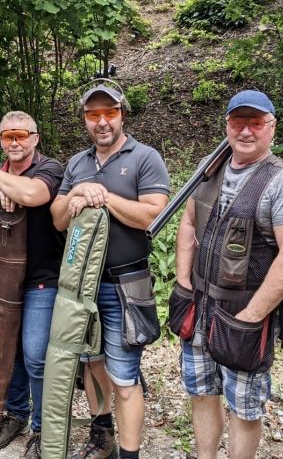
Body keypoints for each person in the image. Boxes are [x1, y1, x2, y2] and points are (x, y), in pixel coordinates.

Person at [173, 90, 283, 459]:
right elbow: (188, 223)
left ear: (271, 127)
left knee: (244, 409)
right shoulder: (210, 166)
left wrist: (252, 316)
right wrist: (184, 283)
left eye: (255, 122)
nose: (246, 131)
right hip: (199, 306)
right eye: (238, 122)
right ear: (227, 125)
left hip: (245, 314)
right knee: (201, 392)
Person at [51, 82, 170, 459]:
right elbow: (56, 220)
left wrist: (106, 198)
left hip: (125, 286)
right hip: (80, 286)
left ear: (123, 114)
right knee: (91, 364)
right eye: (93, 115)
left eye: (109, 113)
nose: (101, 122)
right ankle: (101, 434)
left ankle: (128, 453)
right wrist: (75, 196)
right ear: (85, 119)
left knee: (124, 378)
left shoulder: (145, 158)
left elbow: (154, 214)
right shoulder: (77, 163)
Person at [0, 111, 65, 459]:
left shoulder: (50, 168)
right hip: (3, 279)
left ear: (35, 138)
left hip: (42, 280)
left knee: (37, 357)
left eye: (21, 135)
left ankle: (42, 429)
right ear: (0, 140)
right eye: (8, 136)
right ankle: (16, 414)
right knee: (8, 351)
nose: (15, 142)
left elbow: (36, 195)